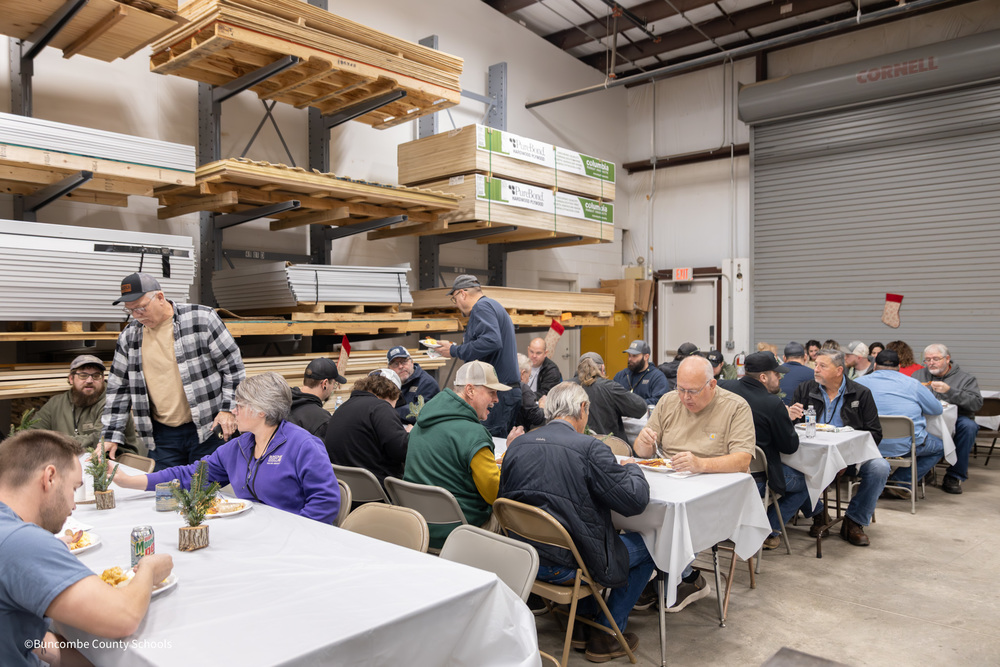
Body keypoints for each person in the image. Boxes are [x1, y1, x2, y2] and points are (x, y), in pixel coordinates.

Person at [499, 382, 651, 662]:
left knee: (575, 533)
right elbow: (634, 501)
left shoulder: (518, 445)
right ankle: (607, 633)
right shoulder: (589, 448)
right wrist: (633, 470)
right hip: (568, 566)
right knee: (651, 545)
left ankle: (582, 623)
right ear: (583, 408)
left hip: (526, 558)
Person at [0, 430, 173, 667]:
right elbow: (123, 617)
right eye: (73, 488)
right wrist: (149, 569)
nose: (73, 505)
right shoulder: (22, 541)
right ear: (49, 477)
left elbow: (30, 641)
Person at [114, 372, 340, 524]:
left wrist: (292, 537)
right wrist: (128, 481)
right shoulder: (239, 447)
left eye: (240, 405)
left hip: (292, 540)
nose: (234, 411)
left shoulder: (303, 446)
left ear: (261, 411)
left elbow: (325, 502)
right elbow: (191, 475)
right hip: (253, 534)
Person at [102, 272, 245, 471]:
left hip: (209, 427)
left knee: (208, 486)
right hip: (163, 435)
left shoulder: (202, 319)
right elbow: (118, 389)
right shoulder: (129, 337)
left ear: (160, 297)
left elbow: (233, 369)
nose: (136, 315)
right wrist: (111, 435)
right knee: (164, 488)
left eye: (141, 308)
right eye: (130, 310)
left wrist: (228, 410)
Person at [404, 361, 523, 548]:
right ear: (470, 390)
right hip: (460, 531)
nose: (497, 399)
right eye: (491, 392)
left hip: (417, 527)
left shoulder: (420, 425)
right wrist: (512, 453)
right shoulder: (474, 434)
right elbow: (495, 493)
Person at [720, 352, 819, 551]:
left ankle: (818, 515)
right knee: (809, 480)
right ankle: (769, 530)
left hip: (722, 470)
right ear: (764, 377)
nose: (780, 378)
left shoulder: (724, 389)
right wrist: (785, 419)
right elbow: (789, 447)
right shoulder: (772, 404)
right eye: (777, 374)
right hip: (756, 477)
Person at [791, 349, 886, 546]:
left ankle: (854, 521)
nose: (816, 369)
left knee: (880, 467)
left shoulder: (861, 393)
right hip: (811, 454)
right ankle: (818, 513)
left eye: (822, 366)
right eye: (815, 365)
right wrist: (790, 415)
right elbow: (792, 427)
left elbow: (875, 433)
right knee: (786, 466)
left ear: (839, 370)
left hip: (851, 456)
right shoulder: (805, 389)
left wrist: (847, 457)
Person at [433, 275, 521, 437]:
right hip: (506, 391)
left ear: (462, 294)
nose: (456, 304)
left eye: (454, 299)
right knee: (501, 444)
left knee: (488, 441)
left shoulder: (481, 307)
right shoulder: (493, 306)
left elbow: (491, 341)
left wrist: (454, 350)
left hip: (497, 393)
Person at [635, 356, 755, 474]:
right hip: (670, 475)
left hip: (716, 480)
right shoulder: (668, 401)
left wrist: (700, 464)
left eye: (693, 391)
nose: (686, 397)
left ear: (712, 385)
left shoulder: (736, 407)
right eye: (681, 389)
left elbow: (742, 461)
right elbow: (644, 453)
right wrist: (643, 443)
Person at [855, 350, 944, 495]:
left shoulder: (858, 383)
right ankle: (900, 482)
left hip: (868, 443)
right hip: (906, 445)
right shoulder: (913, 384)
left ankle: (868, 480)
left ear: (875, 365)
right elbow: (937, 409)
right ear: (899, 366)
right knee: (941, 447)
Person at [30, 355, 139, 454]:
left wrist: (54, 442)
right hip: (68, 459)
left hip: (115, 461)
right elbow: (32, 432)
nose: (89, 380)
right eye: (83, 375)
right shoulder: (56, 403)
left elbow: (100, 440)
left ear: (102, 379)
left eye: (96, 375)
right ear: (71, 379)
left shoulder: (114, 402)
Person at [913, 344, 983, 494]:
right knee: (910, 425)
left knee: (969, 427)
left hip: (958, 418)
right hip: (925, 418)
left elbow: (976, 403)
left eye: (936, 359)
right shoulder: (918, 375)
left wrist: (950, 391)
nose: (931, 363)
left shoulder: (966, 379)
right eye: (927, 360)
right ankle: (922, 470)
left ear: (947, 359)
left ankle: (954, 475)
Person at [325, 370, 409, 489]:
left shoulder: (342, 409)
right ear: (390, 393)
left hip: (346, 490)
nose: (393, 409)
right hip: (380, 489)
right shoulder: (381, 407)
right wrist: (410, 436)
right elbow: (402, 451)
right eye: (394, 404)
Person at [578, 353, 647, 441]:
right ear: (602, 368)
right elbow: (640, 407)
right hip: (609, 444)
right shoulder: (610, 387)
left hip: (576, 445)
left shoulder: (566, 387)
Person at [288, 358, 346, 439]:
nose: (333, 388)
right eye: (334, 384)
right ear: (325, 383)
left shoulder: (285, 401)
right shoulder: (322, 420)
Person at [387, 346, 440, 424]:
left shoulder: (427, 383)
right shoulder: (388, 383)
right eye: (395, 364)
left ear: (411, 362)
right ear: (389, 368)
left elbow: (422, 414)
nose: (400, 366)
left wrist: (391, 410)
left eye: (404, 361)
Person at [612, 340, 668, 406]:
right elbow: (612, 396)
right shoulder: (621, 375)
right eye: (629, 355)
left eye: (634, 356)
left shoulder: (657, 377)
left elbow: (659, 401)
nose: (630, 359)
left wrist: (633, 404)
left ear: (646, 357)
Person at [515, 354, 546, 431]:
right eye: (529, 376)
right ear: (522, 374)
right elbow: (536, 418)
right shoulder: (523, 388)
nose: (528, 380)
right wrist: (542, 406)